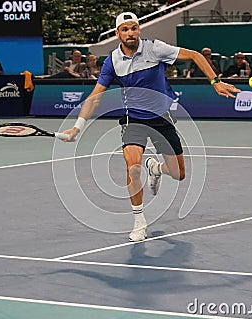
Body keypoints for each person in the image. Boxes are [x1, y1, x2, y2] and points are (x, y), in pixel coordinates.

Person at [60, 12, 240, 242]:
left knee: (179, 174)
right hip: (133, 119)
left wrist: (215, 82)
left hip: (161, 118)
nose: (131, 33)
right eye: (125, 29)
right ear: (117, 34)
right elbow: (95, 97)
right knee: (133, 168)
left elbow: (195, 55)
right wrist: (77, 127)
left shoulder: (155, 49)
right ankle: (139, 222)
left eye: (134, 28)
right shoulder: (113, 61)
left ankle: (156, 168)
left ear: (139, 30)